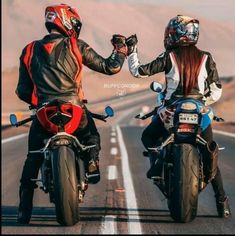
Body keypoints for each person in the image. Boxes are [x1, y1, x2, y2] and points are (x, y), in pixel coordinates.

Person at [15, 3, 128, 224]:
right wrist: (120, 51)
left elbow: (22, 90)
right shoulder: (76, 46)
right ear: (66, 21)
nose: (76, 28)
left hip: (44, 112)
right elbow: (110, 67)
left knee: (33, 157)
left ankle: (23, 210)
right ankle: (92, 162)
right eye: (75, 24)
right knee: (91, 135)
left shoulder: (28, 50)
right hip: (74, 110)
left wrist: (37, 102)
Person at [126, 15, 231, 218]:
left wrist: (132, 51)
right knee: (210, 152)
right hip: (199, 111)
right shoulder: (206, 57)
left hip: (172, 110)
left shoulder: (169, 56)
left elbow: (139, 71)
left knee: (147, 137)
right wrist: (202, 103)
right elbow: (216, 90)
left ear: (176, 35)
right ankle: (222, 201)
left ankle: (157, 167)